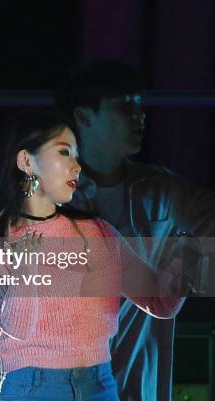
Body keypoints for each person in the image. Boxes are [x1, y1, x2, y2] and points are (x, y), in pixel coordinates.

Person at [0, 109, 186, 401]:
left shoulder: (97, 231)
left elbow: (160, 302)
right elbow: (19, 328)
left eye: (76, 155)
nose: (77, 166)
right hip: (33, 387)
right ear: (26, 161)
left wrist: (186, 261)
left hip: (99, 384)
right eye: (64, 153)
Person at [55, 60, 215, 401]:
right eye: (124, 106)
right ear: (84, 117)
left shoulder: (161, 191)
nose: (138, 116)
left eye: (139, 105)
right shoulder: (46, 198)